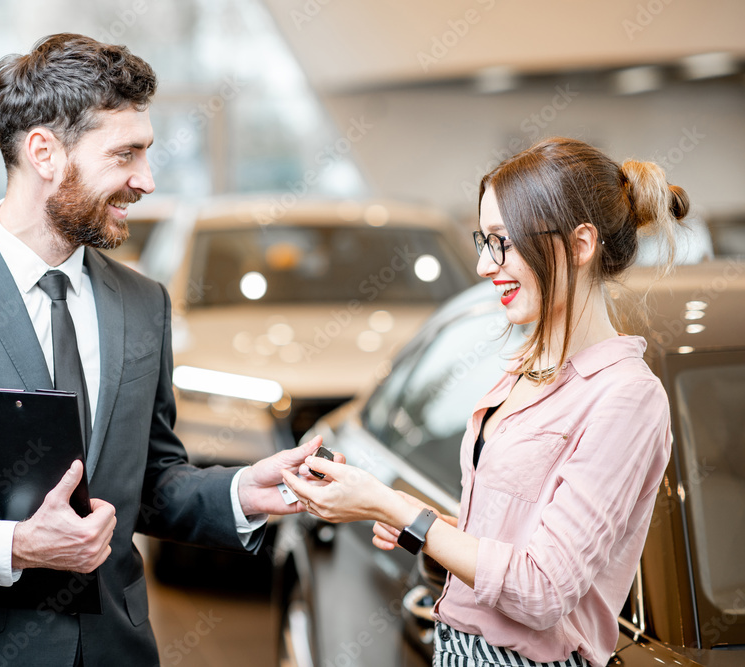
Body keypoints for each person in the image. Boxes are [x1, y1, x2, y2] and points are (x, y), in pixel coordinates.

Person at [0, 33, 327, 667]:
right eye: (125, 154)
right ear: (44, 153)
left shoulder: (144, 303)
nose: (147, 179)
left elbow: (146, 480)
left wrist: (241, 491)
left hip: (117, 648)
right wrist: (15, 545)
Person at [281, 137, 688, 667]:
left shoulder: (626, 396)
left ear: (582, 244)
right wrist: (419, 528)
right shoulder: (527, 366)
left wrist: (393, 506)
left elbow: (542, 589)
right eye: (483, 240)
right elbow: (509, 540)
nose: (482, 265)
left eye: (503, 242)